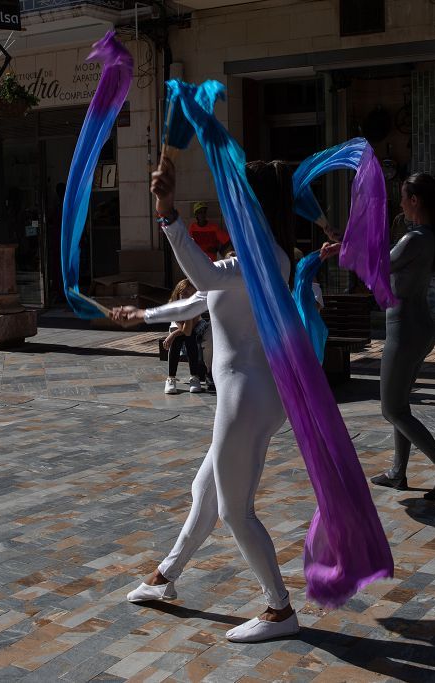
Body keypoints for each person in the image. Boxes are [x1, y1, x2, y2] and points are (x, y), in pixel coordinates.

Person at [113, 157, 299, 644]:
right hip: (249, 394)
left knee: (236, 511)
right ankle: (165, 577)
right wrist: (145, 314)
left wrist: (167, 213)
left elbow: (203, 277)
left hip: (247, 396)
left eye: (235, 196)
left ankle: (280, 609)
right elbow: (198, 298)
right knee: (205, 490)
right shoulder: (256, 257)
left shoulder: (263, 259)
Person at [326, 173, 435, 498]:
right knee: (401, 405)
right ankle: (398, 472)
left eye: (402, 197)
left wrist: (344, 248)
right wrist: (345, 243)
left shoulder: (415, 239)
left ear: (414, 200)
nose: (399, 203)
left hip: (406, 332)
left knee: (391, 409)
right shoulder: (422, 237)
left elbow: (377, 267)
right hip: (417, 329)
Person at [161, 278, 207, 395]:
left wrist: (172, 335)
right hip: (181, 327)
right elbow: (183, 328)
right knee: (178, 340)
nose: (189, 297)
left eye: (192, 294)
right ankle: (171, 378)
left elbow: (188, 330)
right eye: (185, 294)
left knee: (189, 337)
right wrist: (175, 334)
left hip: (197, 326)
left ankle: (194, 376)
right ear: (178, 294)